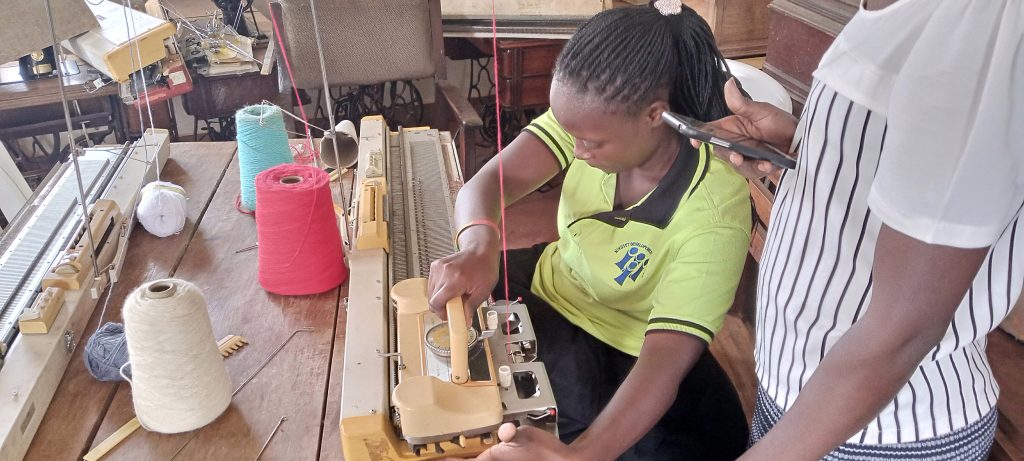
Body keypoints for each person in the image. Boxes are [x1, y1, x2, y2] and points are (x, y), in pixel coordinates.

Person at [698, 0, 1023, 459]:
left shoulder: (980, 17)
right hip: (806, 399)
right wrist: (807, 143)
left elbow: (907, 325)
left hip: (882, 431)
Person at [426, 2, 752, 460]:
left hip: (629, 345)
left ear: (655, 114)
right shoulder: (595, 116)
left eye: (591, 143)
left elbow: (664, 357)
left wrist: (581, 456)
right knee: (446, 313)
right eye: (571, 135)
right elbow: (488, 185)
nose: (576, 152)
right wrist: (481, 245)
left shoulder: (715, 208)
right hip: (549, 288)